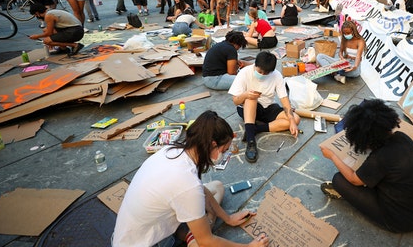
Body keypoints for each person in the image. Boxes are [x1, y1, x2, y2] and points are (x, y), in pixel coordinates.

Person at [112, 110, 270, 247]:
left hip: (139, 231)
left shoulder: (173, 150)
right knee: (202, 242)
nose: (225, 154)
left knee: (217, 186)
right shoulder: (186, 184)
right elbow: (206, 242)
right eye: (224, 149)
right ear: (212, 145)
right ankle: (193, 235)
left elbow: (200, 190)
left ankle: (192, 232)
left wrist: (228, 218)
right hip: (147, 243)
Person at [319, 98, 413, 233]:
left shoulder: (381, 158)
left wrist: (332, 155)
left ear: (364, 139)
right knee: (367, 175)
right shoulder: (402, 137)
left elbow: (354, 179)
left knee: (339, 180)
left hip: (400, 221)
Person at [228, 51, 300, 163]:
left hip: (267, 107)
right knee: (251, 99)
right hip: (247, 108)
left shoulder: (276, 75)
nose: (262, 75)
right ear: (255, 65)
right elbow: (235, 101)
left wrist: (291, 120)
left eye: (266, 73)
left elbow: (284, 99)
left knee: (295, 119)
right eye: (259, 71)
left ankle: (254, 129)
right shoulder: (244, 72)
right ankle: (251, 141)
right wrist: (246, 94)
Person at [315, 20, 365, 84]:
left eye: (348, 33)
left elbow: (358, 56)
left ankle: (333, 72)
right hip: (343, 62)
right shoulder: (344, 39)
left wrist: (354, 67)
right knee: (319, 56)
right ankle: (335, 73)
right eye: (345, 33)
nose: (346, 35)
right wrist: (342, 58)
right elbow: (340, 52)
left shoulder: (360, 41)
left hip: (353, 65)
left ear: (353, 31)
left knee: (352, 73)